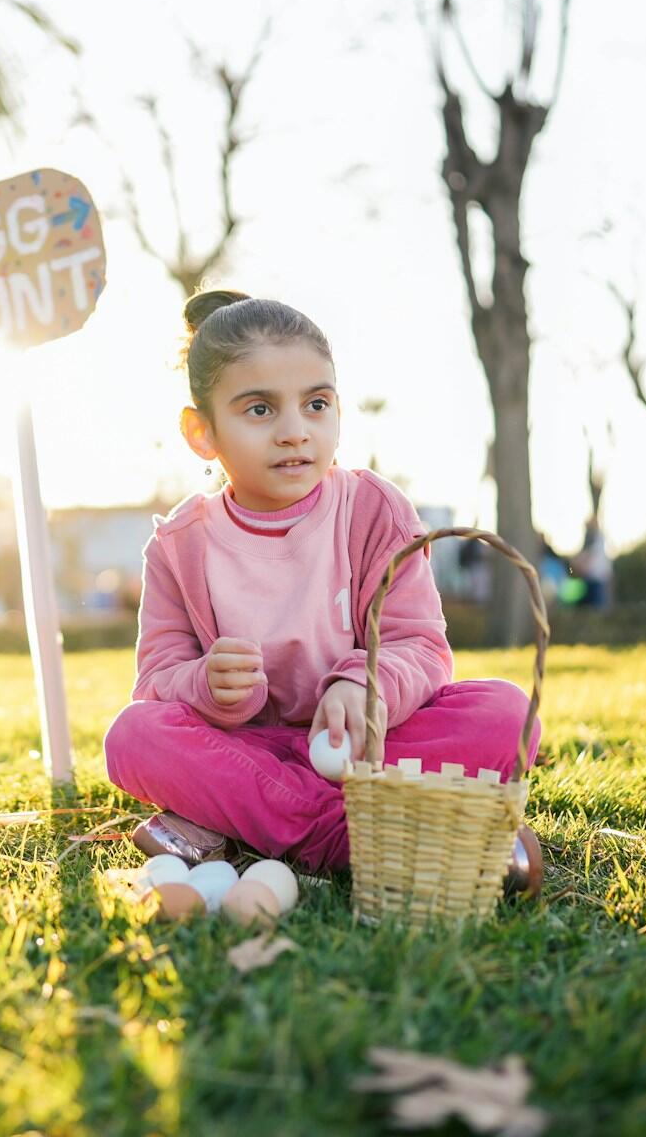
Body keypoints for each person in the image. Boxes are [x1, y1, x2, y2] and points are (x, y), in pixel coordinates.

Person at [101, 290, 540, 886]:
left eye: (316, 404)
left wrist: (367, 685)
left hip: (363, 748)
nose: (294, 432)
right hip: (247, 754)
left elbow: (421, 648)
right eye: (259, 410)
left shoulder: (372, 510)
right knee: (133, 738)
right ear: (202, 433)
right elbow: (155, 682)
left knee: (508, 713)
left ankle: (239, 828)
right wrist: (203, 684)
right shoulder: (181, 544)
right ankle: (370, 836)